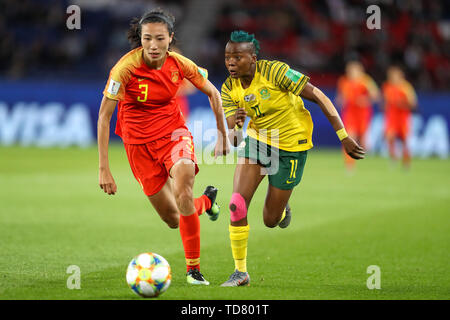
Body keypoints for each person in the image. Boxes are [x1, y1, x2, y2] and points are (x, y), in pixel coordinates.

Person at [220, 31, 365, 287]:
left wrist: (343, 135)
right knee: (236, 204)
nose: (230, 62)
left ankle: (280, 206)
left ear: (253, 58)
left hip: (291, 146)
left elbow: (319, 96)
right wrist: (236, 127)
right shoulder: (229, 88)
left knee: (270, 220)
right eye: (227, 57)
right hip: (258, 141)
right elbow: (233, 139)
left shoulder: (276, 72)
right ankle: (240, 272)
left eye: (237, 57)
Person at [97, 9, 229, 286]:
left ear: (170, 38)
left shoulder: (179, 64)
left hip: (174, 135)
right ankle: (206, 202)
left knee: (183, 187)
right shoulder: (125, 69)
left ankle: (193, 271)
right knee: (173, 218)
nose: (153, 45)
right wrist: (104, 169)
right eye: (147, 39)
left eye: (159, 38)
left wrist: (222, 136)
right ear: (140, 39)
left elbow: (214, 93)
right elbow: (104, 117)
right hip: (138, 146)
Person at [336, 60, 379, 171]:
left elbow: (376, 95)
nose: (351, 73)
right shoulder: (344, 81)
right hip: (350, 114)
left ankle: (370, 160)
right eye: (349, 70)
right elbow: (340, 98)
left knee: (364, 141)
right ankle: (349, 165)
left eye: (354, 70)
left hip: (363, 114)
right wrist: (341, 101)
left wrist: (365, 100)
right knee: (349, 138)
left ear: (360, 71)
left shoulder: (366, 80)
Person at [381, 65, 417, 169]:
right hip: (391, 117)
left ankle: (406, 161)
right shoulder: (387, 87)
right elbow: (385, 102)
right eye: (391, 76)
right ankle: (393, 158)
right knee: (389, 137)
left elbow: (413, 103)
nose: (393, 78)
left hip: (403, 118)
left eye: (395, 76)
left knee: (405, 140)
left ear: (400, 76)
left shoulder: (406, 87)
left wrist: (401, 103)